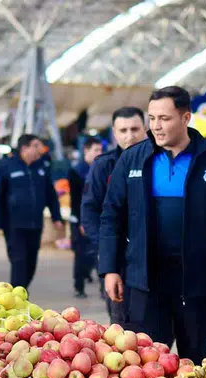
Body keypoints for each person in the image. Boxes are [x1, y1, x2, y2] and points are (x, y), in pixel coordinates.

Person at [99, 87, 206, 362]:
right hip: (145, 279)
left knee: (192, 362)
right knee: (145, 361)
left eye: (164, 118)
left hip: (195, 282)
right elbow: (112, 215)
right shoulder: (133, 159)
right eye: (152, 118)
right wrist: (110, 268)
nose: (156, 127)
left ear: (186, 118)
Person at [81, 107, 147, 317]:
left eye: (135, 129)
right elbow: (90, 210)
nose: (130, 136)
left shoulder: (158, 161)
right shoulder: (104, 166)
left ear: (145, 128)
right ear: (114, 132)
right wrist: (104, 247)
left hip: (150, 255)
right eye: (123, 130)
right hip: (116, 256)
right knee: (121, 322)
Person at [0, 134, 63, 289]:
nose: (39, 150)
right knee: (19, 262)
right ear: (24, 148)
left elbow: (51, 195)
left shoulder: (41, 167)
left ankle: (20, 292)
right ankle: (17, 296)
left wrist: (57, 217)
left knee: (31, 262)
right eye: (35, 146)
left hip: (35, 224)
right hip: (14, 224)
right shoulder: (6, 166)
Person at [68, 137, 103, 298]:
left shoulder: (102, 169)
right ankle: (79, 286)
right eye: (95, 150)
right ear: (86, 151)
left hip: (99, 219)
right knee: (81, 254)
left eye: (100, 150)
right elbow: (76, 201)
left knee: (98, 253)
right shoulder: (76, 172)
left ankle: (104, 287)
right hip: (80, 220)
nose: (99, 153)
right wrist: (83, 221)